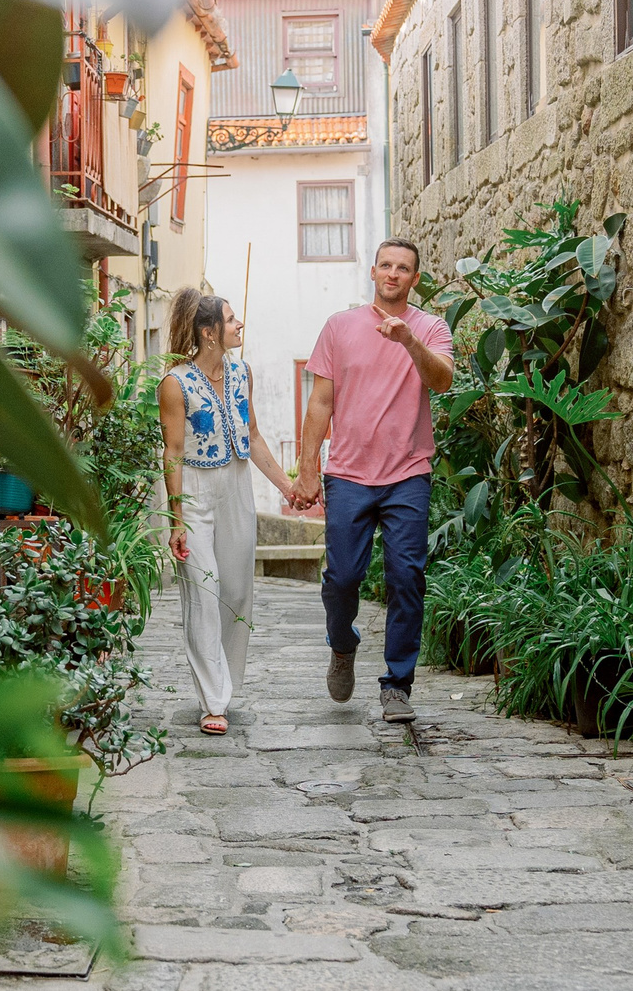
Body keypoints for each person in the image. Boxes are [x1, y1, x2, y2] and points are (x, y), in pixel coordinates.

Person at [288, 239, 454, 723]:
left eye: (404, 268)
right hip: (348, 474)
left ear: (415, 278)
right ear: (374, 272)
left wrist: (408, 341)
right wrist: (307, 469)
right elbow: (321, 402)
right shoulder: (340, 327)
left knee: (407, 577)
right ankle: (342, 646)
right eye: (386, 265)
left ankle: (397, 685)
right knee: (342, 578)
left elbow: (441, 381)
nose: (394, 274)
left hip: (408, 473)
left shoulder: (431, 328)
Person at [157, 288, 297, 736]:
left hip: (237, 486)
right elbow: (173, 453)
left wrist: (288, 487)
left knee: (236, 591)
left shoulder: (243, 374)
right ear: (209, 332)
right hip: (195, 492)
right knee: (204, 589)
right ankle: (213, 697)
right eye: (232, 320)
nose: (239, 326)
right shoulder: (175, 384)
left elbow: (253, 435)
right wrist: (176, 518)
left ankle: (226, 683)